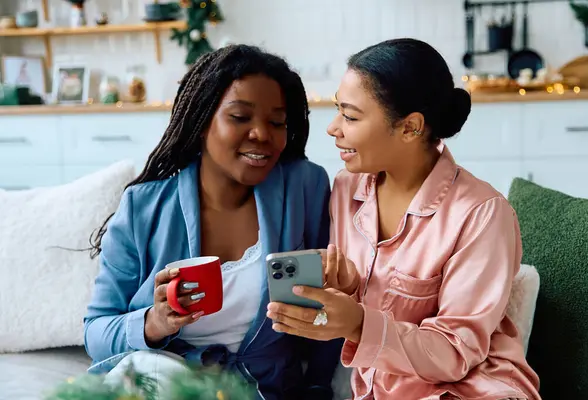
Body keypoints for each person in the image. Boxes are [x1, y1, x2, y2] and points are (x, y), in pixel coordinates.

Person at [266, 38, 541, 400]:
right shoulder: (347, 188)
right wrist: (348, 286)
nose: (334, 128)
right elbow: (375, 301)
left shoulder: (482, 213)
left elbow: (456, 352)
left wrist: (359, 323)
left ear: (411, 127)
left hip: (473, 389)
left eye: (350, 116)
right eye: (338, 111)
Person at [83, 44, 342, 400]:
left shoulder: (304, 188)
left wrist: (316, 385)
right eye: (240, 117)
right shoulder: (143, 207)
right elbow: (96, 332)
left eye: (277, 122)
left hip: (263, 389)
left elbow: (330, 303)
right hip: (160, 382)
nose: (262, 135)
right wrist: (154, 323)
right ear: (202, 121)